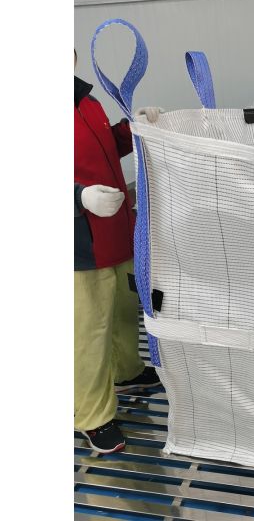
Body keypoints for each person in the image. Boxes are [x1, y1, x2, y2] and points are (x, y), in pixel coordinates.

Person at [75, 48, 161, 453]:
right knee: (87, 332)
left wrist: (132, 129)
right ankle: (91, 415)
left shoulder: (85, 100)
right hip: (80, 244)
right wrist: (78, 197)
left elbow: (104, 147)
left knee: (125, 312)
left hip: (115, 229)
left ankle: (126, 372)